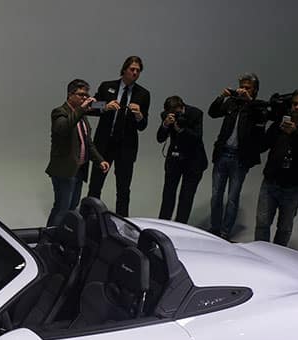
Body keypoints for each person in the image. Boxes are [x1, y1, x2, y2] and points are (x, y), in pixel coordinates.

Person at [254, 89, 298, 246]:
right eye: (295, 104)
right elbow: (261, 146)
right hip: (271, 182)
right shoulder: (280, 124)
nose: (297, 107)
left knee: (284, 227)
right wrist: (262, 124)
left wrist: (294, 133)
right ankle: (258, 255)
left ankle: (279, 259)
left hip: (294, 186)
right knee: (262, 222)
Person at [86, 55, 150, 216]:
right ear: (124, 70)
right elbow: (90, 107)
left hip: (126, 147)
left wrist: (139, 115)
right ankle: (90, 217)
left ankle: (123, 222)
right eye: (132, 69)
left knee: (123, 188)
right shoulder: (107, 86)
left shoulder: (143, 94)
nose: (135, 73)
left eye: (138, 70)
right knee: (95, 184)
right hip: (104, 143)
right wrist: (105, 107)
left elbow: (143, 125)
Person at [207, 74, 267, 238]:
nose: (243, 90)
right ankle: (214, 229)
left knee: (233, 197)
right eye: (242, 86)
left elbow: (263, 119)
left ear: (254, 89)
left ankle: (225, 233)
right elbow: (212, 113)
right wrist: (222, 97)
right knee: (216, 195)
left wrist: (249, 101)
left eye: (247, 87)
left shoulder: (258, 107)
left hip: (240, 158)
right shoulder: (232, 102)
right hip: (223, 153)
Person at [45, 79, 109, 227]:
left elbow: (88, 143)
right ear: (70, 95)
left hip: (79, 169)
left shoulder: (82, 116)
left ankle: (64, 238)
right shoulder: (59, 112)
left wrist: (100, 160)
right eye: (81, 95)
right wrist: (82, 110)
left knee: (73, 208)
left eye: (86, 95)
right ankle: (49, 238)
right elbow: (63, 128)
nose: (85, 98)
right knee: (61, 208)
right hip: (64, 169)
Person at [156, 96, 208, 224]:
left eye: (177, 111)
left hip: (194, 160)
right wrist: (165, 124)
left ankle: (180, 225)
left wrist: (181, 130)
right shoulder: (166, 115)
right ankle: (163, 224)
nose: (175, 114)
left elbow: (197, 137)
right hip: (174, 159)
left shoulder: (196, 114)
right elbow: (160, 138)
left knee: (186, 196)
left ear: (182, 107)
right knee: (168, 193)